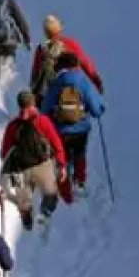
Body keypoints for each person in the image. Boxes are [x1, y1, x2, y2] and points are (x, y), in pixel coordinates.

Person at [40, 52, 105, 200]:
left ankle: (65, 185)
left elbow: (45, 108)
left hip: (60, 129)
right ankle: (80, 182)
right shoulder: (84, 82)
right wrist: (99, 110)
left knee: (63, 156)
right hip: (82, 128)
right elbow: (95, 109)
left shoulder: (57, 82)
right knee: (80, 155)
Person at [0, 90, 67, 229]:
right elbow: (56, 143)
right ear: (33, 103)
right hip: (43, 165)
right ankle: (44, 214)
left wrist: (9, 171)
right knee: (51, 194)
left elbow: (5, 152)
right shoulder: (43, 121)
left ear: (19, 105)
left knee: (23, 201)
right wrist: (61, 165)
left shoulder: (13, 126)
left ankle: (27, 220)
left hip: (20, 168)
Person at [31, 14, 104, 99]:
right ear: (59, 28)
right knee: (89, 103)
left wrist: (33, 93)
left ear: (45, 32)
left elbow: (35, 74)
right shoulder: (71, 43)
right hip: (74, 85)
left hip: (51, 89)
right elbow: (86, 64)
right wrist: (97, 83)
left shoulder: (40, 49)